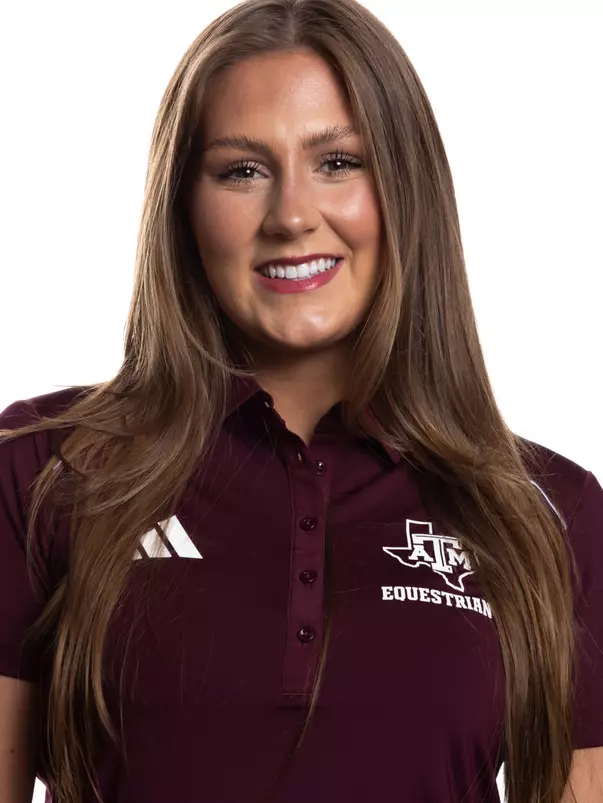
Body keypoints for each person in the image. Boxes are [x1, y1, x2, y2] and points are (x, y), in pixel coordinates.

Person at [1, 0, 602, 801]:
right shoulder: (47, 467)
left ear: (405, 191)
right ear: (183, 207)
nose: (289, 215)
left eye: (338, 162)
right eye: (241, 170)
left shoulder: (548, 511)